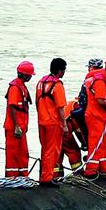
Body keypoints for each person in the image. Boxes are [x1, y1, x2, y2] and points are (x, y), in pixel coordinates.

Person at [83, 57, 106, 177]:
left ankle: (104, 168)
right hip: (95, 116)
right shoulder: (100, 80)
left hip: (101, 117)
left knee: (104, 143)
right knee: (95, 143)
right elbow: (101, 100)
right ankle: (91, 170)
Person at [36, 58, 68, 186]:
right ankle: (47, 178)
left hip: (41, 121)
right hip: (53, 122)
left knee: (44, 149)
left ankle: (43, 175)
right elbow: (61, 107)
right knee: (52, 150)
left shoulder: (40, 82)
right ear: (60, 71)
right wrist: (64, 124)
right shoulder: (57, 85)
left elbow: (38, 102)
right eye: (64, 70)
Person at [4, 61, 34, 177]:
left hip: (21, 127)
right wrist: (16, 126)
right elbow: (12, 107)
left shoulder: (21, 86)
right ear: (25, 74)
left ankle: (22, 176)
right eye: (30, 75)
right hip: (14, 128)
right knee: (13, 154)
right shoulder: (15, 88)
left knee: (22, 153)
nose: (31, 77)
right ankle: (12, 178)